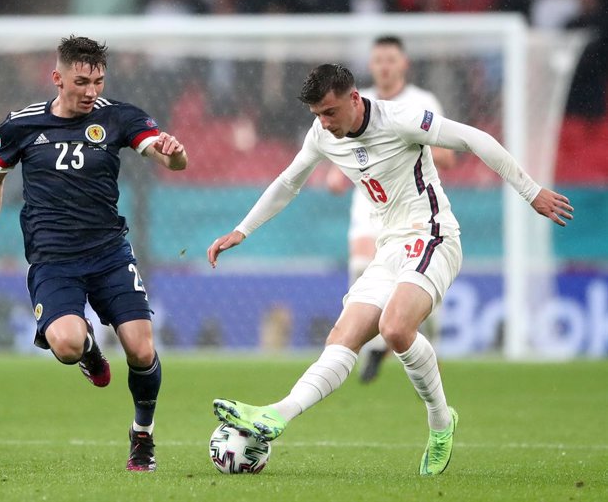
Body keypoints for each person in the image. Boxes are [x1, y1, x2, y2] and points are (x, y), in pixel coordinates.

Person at [207, 64, 572, 475]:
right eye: (316, 115)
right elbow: (288, 183)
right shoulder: (322, 135)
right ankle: (278, 413)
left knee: (395, 329)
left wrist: (531, 191)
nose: (323, 123)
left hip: (434, 236)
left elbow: (475, 139)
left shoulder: (399, 119)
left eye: (329, 112)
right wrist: (242, 229)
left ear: (353, 99)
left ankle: (440, 421)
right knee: (342, 337)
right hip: (390, 248)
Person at [0, 36, 188, 472]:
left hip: (109, 255)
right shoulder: (21, 125)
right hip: (54, 262)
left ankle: (142, 435)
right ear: (57, 78)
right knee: (68, 344)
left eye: (97, 80)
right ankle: (90, 351)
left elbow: (164, 157)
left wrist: (176, 155)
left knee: (142, 350)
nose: (91, 90)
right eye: (81, 81)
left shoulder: (119, 117)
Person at [326, 35, 456, 383]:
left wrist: (409, 143)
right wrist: (336, 176)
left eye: (391, 59)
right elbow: (347, 151)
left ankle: (415, 350)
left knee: (415, 290)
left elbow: (448, 153)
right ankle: (372, 348)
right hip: (370, 204)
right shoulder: (356, 103)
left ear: (404, 64)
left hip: (411, 206)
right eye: (378, 60)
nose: (384, 66)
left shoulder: (421, 101)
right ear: (371, 66)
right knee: (361, 268)